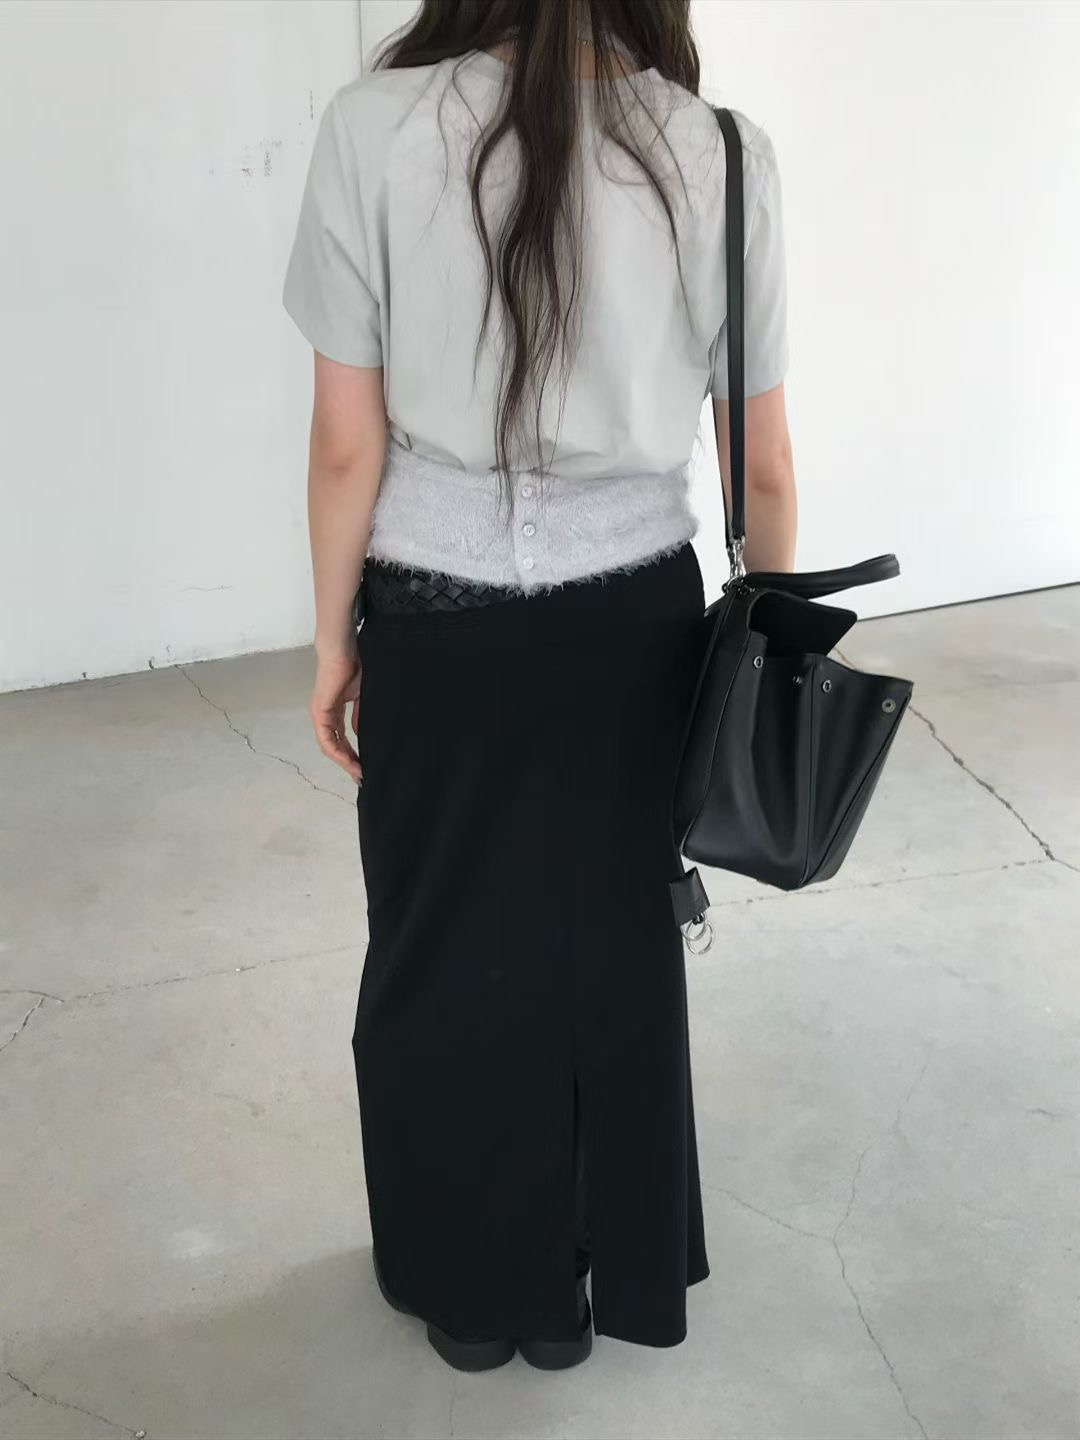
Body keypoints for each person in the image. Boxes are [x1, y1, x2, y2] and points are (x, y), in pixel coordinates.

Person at [282, 0, 796, 1374]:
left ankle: (468, 1287)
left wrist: (333, 643)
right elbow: (760, 466)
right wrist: (762, 655)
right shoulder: (719, 152)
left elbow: (345, 446)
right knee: (614, 950)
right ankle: (589, 1272)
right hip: (637, 623)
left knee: (438, 946)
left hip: (436, 617)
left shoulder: (373, 127)